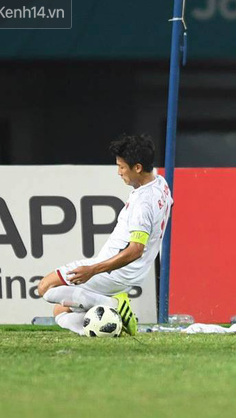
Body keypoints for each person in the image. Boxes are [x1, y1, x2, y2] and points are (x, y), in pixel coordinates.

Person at [37, 134, 173, 336]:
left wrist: (93, 269)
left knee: (45, 289)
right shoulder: (160, 184)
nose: (118, 172)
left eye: (122, 167)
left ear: (137, 167)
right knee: (60, 311)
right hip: (131, 273)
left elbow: (136, 249)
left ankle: (112, 305)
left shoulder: (143, 203)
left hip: (113, 271)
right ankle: (111, 327)